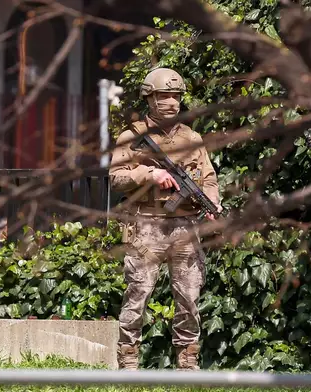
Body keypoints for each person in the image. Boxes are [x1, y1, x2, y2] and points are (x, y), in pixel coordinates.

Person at [109, 67, 222, 370]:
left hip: (185, 227)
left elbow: (208, 177)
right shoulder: (132, 137)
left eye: (176, 96)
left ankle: (187, 363)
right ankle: (128, 362)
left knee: (189, 297)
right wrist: (149, 173)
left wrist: (211, 201)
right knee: (138, 295)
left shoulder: (192, 137)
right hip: (145, 225)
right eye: (164, 96)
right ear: (150, 97)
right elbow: (116, 179)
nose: (171, 101)